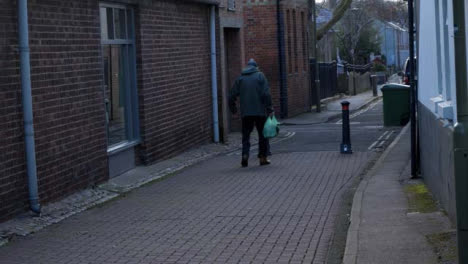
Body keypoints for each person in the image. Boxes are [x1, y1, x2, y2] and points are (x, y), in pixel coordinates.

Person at [229, 59, 273, 167]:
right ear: (256, 67)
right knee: (263, 135)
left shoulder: (240, 78)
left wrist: (233, 108)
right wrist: (269, 108)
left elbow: (231, 95)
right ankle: (263, 158)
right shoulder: (260, 76)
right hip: (260, 112)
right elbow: (266, 94)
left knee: (246, 136)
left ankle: (245, 155)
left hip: (246, 113)